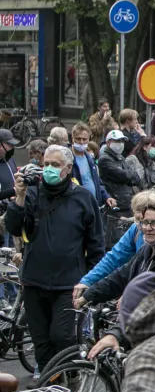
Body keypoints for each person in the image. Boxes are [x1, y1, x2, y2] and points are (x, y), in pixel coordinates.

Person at [5, 145, 104, 372]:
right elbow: (12, 226)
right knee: (41, 341)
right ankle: (51, 388)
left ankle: (69, 376)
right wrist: (19, 197)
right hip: (33, 281)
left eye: (55, 165)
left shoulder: (83, 199)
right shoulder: (31, 193)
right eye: (46, 164)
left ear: (68, 169)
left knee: (61, 336)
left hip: (68, 284)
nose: (49, 169)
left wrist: (90, 280)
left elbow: (96, 244)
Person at [77, 202, 155, 357]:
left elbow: (153, 298)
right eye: (145, 222)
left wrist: (118, 331)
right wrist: (89, 295)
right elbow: (120, 276)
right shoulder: (147, 249)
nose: (148, 228)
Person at [68, 124, 113, 208]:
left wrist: (106, 197)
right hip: (77, 206)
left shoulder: (89, 159)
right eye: (78, 139)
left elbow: (97, 183)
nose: (81, 142)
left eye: (84, 139)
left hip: (93, 205)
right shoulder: (67, 158)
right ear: (72, 138)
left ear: (89, 139)